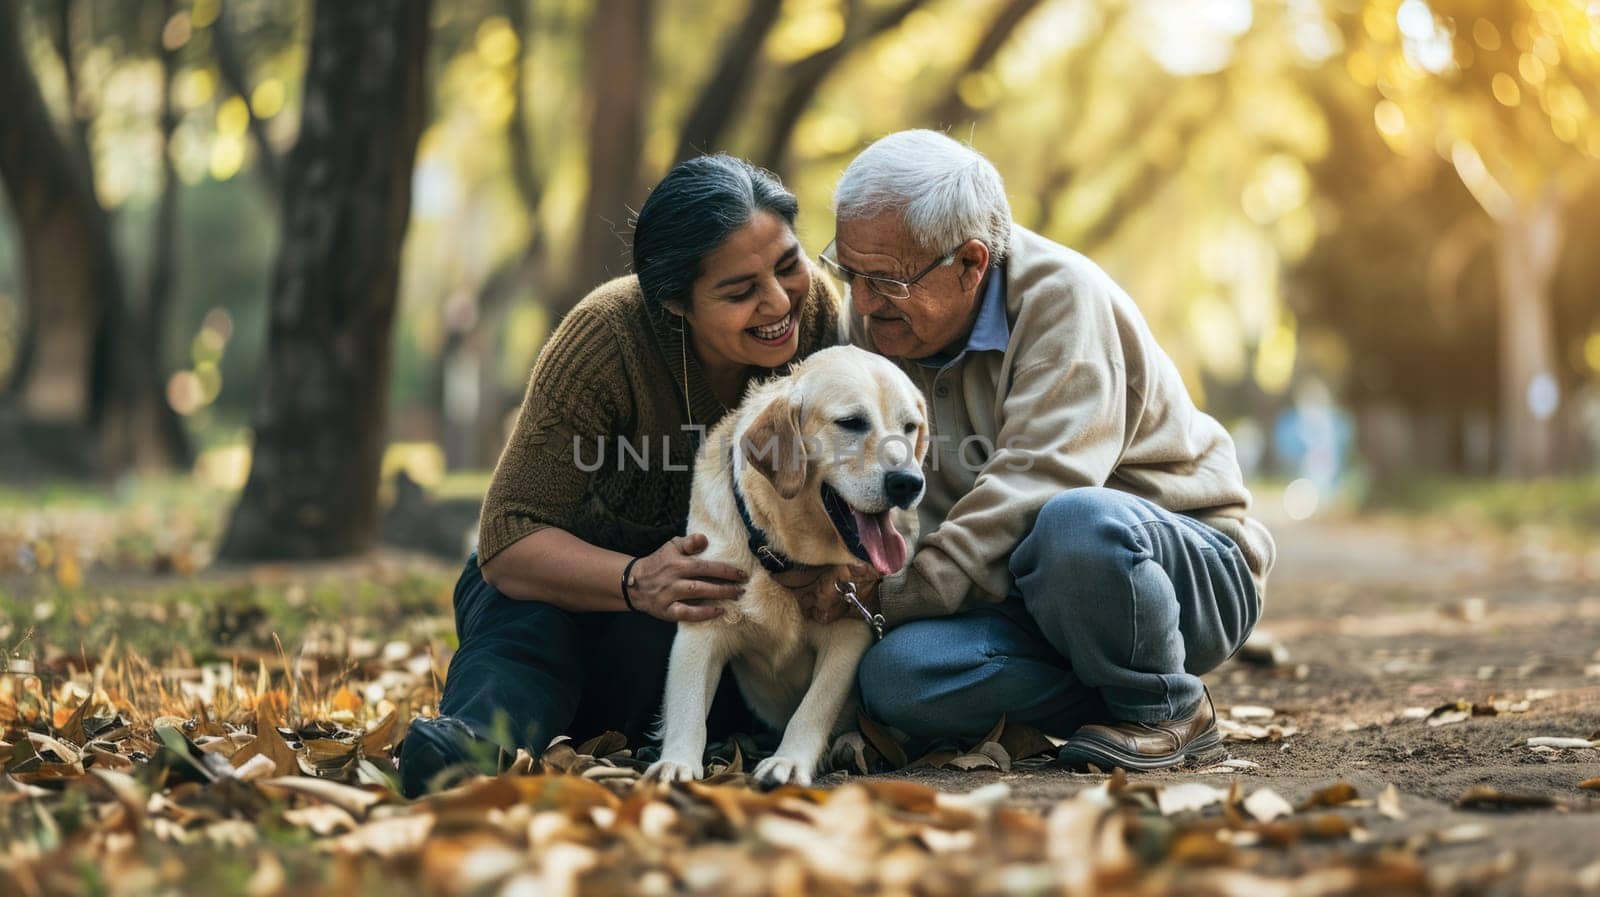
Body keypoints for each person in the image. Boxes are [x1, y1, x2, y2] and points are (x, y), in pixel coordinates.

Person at [818, 130, 1276, 771]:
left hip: (1168, 566)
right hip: (1015, 593)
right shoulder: (870, 320)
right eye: (851, 272)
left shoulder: (1062, 299)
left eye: (886, 280)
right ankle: (1103, 696)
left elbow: (1040, 483)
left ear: (971, 262)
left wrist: (894, 596)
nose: (862, 304)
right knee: (898, 679)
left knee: (1075, 522)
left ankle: (1166, 705)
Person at [398, 155, 844, 796]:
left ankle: (647, 733)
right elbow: (506, 540)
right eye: (740, 292)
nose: (778, 302)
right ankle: (471, 749)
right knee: (528, 635)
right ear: (675, 305)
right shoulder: (605, 340)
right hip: (573, 592)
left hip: (712, 617)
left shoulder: (824, 325)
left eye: (787, 265)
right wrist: (635, 580)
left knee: (700, 654)